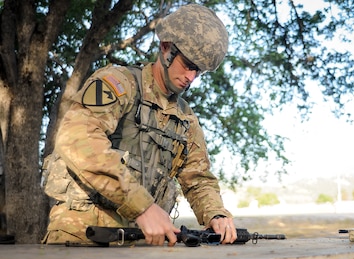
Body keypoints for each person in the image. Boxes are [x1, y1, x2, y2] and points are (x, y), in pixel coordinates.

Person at [41, 4, 237, 246]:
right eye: (188, 65)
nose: (191, 78)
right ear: (166, 49)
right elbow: (78, 140)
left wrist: (215, 213)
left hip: (143, 244)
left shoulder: (185, 118)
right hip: (85, 234)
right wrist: (142, 206)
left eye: (199, 71)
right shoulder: (119, 85)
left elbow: (198, 178)